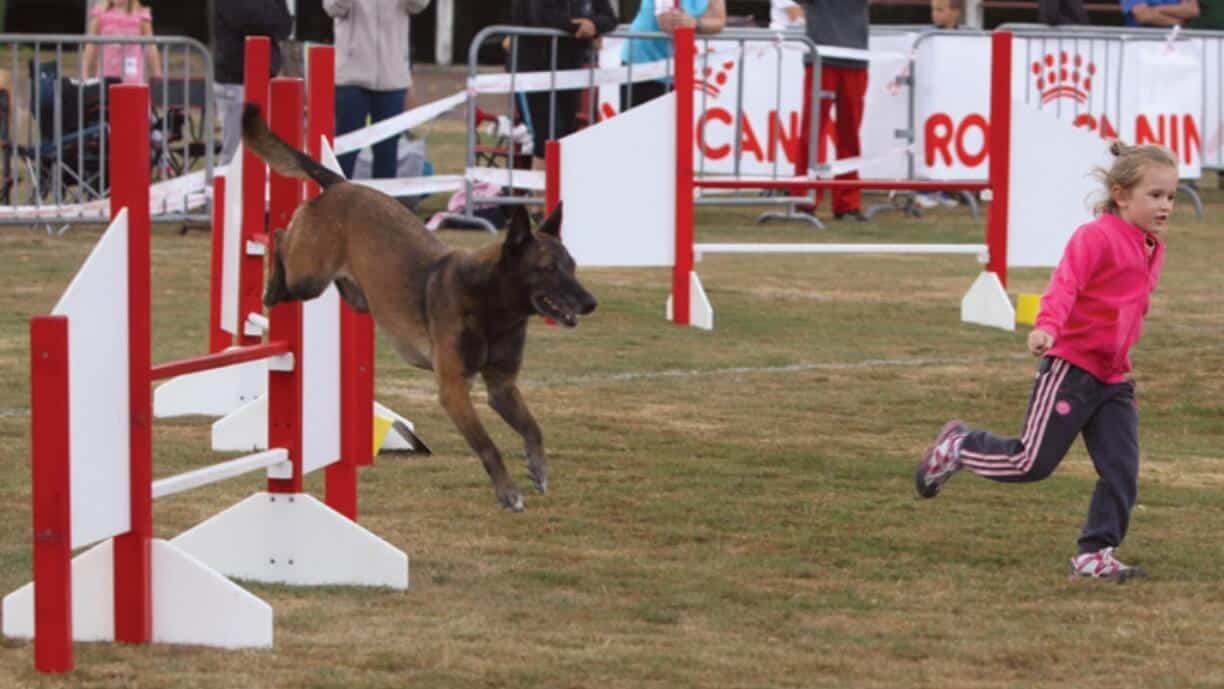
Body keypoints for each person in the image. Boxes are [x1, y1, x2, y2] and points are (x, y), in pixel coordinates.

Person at [914, 141, 1177, 582]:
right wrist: (1047, 326)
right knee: (1029, 463)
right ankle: (957, 446)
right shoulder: (1095, 236)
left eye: (1170, 196)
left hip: (1114, 379)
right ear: (1120, 194)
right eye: (1155, 195)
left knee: (1121, 470)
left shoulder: (1152, 246)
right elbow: (1065, 285)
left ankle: (1094, 553)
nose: (1166, 205)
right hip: (1072, 369)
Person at [325, 0, 430, 179]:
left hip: (392, 79)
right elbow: (332, 7)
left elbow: (418, 5)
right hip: (351, 78)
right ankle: (337, 203)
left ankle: (383, 205)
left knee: (387, 153)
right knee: (346, 151)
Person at [509, 0, 618, 164]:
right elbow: (542, 17)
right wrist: (580, 27)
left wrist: (593, 25)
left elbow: (610, 18)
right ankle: (542, 189)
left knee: (567, 136)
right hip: (535, 69)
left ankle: (562, 188)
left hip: (570, 69)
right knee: (546, 139)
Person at [796, 0, 870, 222]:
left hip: (855, 58)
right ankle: (803, 198)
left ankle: (847, 204)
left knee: (850, 135)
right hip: (821, 58)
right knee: (813, 132)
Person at [213, 0, 293, 165]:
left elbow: (286, 26)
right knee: (235, 153)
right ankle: (227, 189)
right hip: (235, 81)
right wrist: (272, 16)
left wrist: (271, 18)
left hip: (264, 79)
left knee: (263, 153)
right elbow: (252, 21)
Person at [620, 0, 727, 110]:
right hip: (641, 61)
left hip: (674, 66)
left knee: (669, 124)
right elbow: (667, 23)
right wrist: (694, 23)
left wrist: (695, 23)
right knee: (635, 123)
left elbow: (719, 21)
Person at [913, 0, 963, 210]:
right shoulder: (926, 36)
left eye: (940, 10)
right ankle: (923, 190)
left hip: (952, 99)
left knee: (945, 147)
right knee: (927, 144)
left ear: (955, 12)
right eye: (933, 10)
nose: (935, 14)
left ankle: (941, 190)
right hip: (929, 100)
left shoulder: (966, 37)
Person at [81, 0, 162, 85]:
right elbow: (91, 45)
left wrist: (157, 74)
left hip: (132, 77)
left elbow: (151, 47)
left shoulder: (141, 15)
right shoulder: (100, 13)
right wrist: (84, 73)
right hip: (106, 75)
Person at [1121, 0, 1200, 26]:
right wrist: (1180, 21)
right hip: (1140, 43)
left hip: (1176, 45)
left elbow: (1193, 10)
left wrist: (1156, 9)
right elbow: (1142, 16)